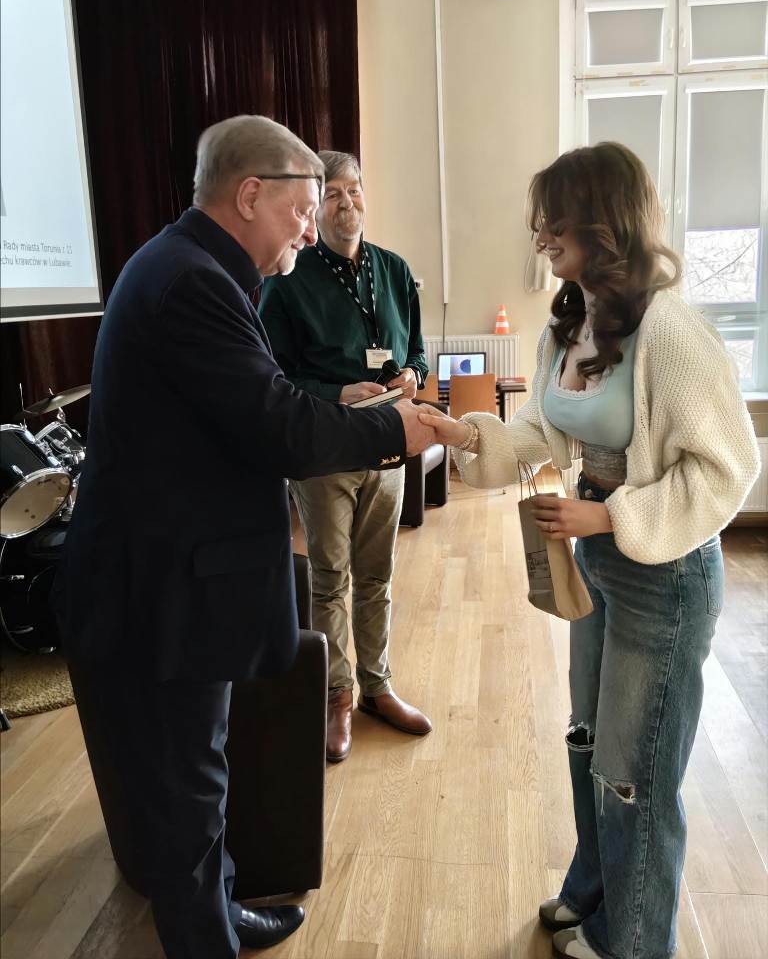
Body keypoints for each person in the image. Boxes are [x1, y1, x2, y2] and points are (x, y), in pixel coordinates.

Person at [55, 116, 436, 959]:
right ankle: (207, 939)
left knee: (204, 769)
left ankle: (222, 911)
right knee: (189, 785)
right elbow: (278, 425)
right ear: (251, 194)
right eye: (304, 208)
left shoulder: (194, 268)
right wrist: (396, 429)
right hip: (163, 585)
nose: (310, 228)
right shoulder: (192, 283)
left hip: (179, 570)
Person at [417, 143, 760, 959]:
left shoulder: (673, 334)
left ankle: (631, 943)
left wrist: (608, 518)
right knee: (591, 742)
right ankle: (594, 893)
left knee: (635, 770)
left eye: (554, 219)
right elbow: (540, 430)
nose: (540, 235)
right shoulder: (568, 322)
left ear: (603, 222)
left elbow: (727, 469)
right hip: (600, 561)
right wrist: (462, 434)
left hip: (665, 575)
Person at [259, 150, 432, 764]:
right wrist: (337, 393)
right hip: (325, 447)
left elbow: (417, 349)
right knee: (330, 578)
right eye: (332, 193)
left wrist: (411, 374)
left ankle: (377, 687)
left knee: (377, 574)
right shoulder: (287, 279)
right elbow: (273, 377)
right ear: (314, 206)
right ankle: (336, 695)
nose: (346, 203)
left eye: (354, 190)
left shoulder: (394, 269)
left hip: (388, 441)